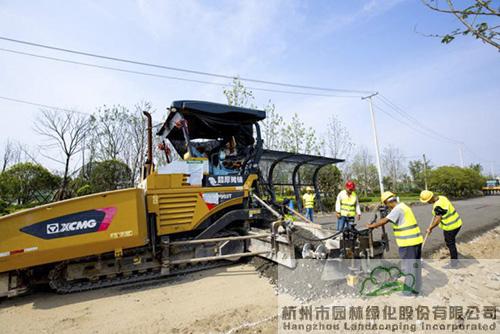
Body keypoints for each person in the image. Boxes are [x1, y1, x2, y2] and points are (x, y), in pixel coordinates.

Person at [367, 191, 423, 295]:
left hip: (408, 242)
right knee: (416, 266)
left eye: (386, 205)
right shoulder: (404, 206)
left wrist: (372, 226)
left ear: (388, 202)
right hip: (416, 240)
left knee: (409, 267)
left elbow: (385, 220)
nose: (387, 207)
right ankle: (417, 289)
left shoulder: (397, 209)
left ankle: (407, 292)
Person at [420, 190, 463, 268]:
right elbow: (442, 211)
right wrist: (436, 213)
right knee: (450, 242)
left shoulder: (437, 206)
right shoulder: (442, 198)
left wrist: (430, 228)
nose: (427, 202)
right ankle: (454, 258)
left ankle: (454, 264)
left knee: (450, 243)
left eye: (427, 201)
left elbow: (437, 220)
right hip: (457, 222)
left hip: (451, 226)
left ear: (430, 199)